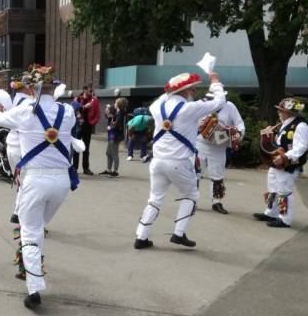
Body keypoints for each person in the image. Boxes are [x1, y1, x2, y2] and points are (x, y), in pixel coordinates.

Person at [0, 63, 78, 308]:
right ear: (55, 87)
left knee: (30, 231)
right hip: (62, 182)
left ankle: (34, 287)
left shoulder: (25, 111)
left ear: (30, 87)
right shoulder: (68, 112)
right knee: (37, 228)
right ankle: (31, 267)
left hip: (35, 180)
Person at [134, 72, 226, 249]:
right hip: (179, 162)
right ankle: (179, 233)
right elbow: (220, 102)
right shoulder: (189, 108)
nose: (195, 92)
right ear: (184, 92)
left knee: (155, 199)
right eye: (192, 89)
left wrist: (172, 86)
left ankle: (141, 236)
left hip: (157, 161)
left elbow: (165, 97)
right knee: (191, 195)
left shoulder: (157, 106)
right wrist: (215, 82)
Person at [253, 98, 307, 228]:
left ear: (289, 113)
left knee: (284, 190)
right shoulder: (285, 123)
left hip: (288, 164)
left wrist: (285, 157)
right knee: (273, 187)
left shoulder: (300, 126)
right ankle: (271, 212)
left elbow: (301, 147)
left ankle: (285, 219)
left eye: (281, 110)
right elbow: (281, 140)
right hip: (276, 163)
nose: (278, 112)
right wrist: (269, 134)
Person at [196, 92, 245, 214]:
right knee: (195, 174)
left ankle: (217, 202)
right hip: (200, 144)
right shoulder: (201, 104)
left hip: (219, 145)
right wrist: (197, 125)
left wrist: (238, 134)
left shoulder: (229, 106)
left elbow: (239, 123)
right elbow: (187, 122)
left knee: (217, 175)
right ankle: (191, 200)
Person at [5, 74, 35, 223]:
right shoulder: (29, 103)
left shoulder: (12, 99)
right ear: (30, 87)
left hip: (11, 144)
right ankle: (23, 215)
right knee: (27, 181)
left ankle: (17, 212)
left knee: (21, 181)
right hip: (22, 146)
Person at [72, 83, 101, 175]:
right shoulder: (77, 99)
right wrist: (84, 107)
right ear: (84, 90)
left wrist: (92, 123)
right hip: (78, 126)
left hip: (87, 126)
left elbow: (98, 114)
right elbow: (74, 111)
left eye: (92, 91)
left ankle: (86, 168)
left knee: (86, 148)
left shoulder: (94, 100)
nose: (91, 92)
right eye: (90, 90)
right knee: (76, 147)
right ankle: (74, 167)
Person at [99, 97, 127, 178]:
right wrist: (109, 116)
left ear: (118, 105)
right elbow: (112, 119)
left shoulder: (120, 113)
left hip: (115, 135)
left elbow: (117, 125)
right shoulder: (117, 113)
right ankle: (109, 169)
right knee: (109, 152)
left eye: (115, 103)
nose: (114, 104)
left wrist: (110, 127)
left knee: (114, 153)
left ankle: (115, 171)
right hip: (112, 134)